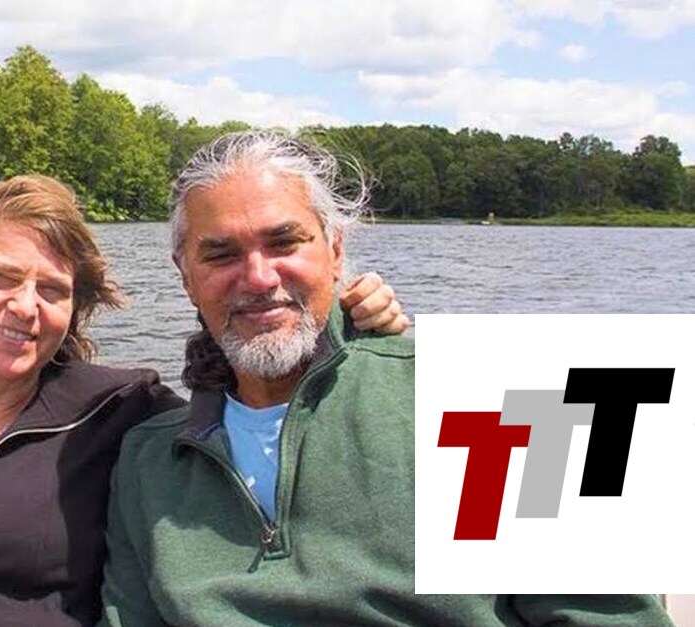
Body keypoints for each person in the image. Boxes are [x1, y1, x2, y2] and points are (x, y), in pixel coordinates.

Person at [0, 174, 407, 626]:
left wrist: (351, 327)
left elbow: (244, 386)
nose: (24, 306)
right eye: (0, 277)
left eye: (52, 289)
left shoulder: (117, 415)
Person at [99, 131, 672, 626]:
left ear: (335, 250)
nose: (258, 277)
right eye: (221, 255)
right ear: (185, 276)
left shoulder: (502, 402)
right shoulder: (149, 459)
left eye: (284, 242)